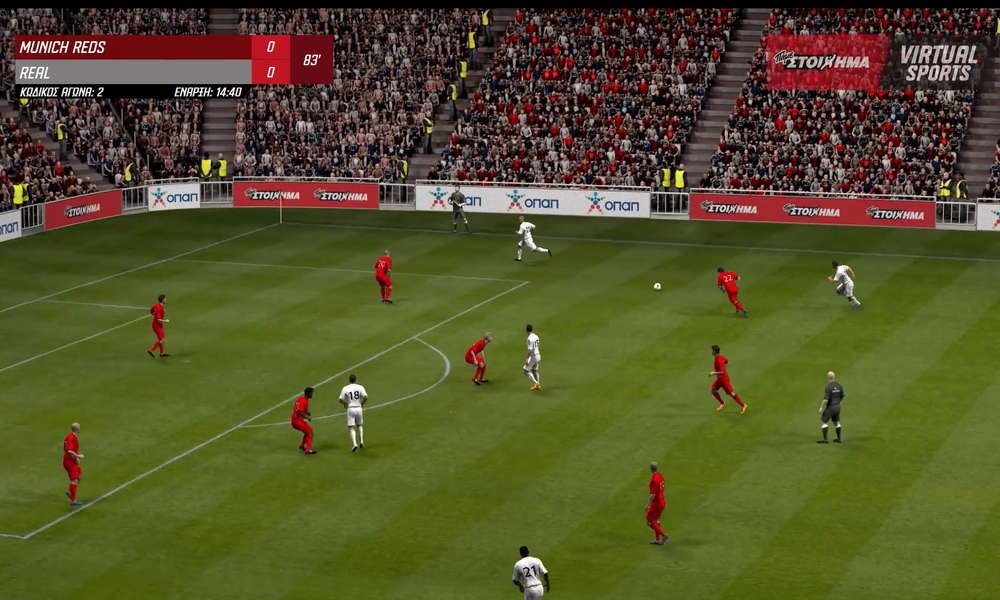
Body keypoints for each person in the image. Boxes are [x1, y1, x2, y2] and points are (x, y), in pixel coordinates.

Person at [710, 345, 746, 413]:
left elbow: (722, 371)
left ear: (714, 351)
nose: (711, 351)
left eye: (712, 350)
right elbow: (726, 361)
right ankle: (722, 403)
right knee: (713, 390)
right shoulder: (720, 357)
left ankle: (743, 405)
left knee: (731, 394)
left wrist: (713, 373)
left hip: (723, 380)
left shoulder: (718, 360)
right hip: (719, 379)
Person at [339, 374, 368, 452]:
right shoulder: (360, 387)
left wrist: (345, 404)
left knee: (351, 427)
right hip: (358, 408)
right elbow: (366, 397)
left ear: (349, 380)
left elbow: (340, 399)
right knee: (359, 425)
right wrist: (362, 403)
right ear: (355, 380)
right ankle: (361, 441)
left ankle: (354, 444)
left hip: (351, 408)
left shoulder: (345, 388)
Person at [818, 371, 844, 444]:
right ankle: (839, 438)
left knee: (823, 421)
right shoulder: (839, 386)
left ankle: (825, 439)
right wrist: (838, 402)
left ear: (828, 377)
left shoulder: (828, 387)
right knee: (836, 422)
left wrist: (821, 407)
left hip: (831, 407)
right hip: (837, 406)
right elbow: (843, 397)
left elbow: (826, 399)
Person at [645, 462, 667, 545]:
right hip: (662, 501)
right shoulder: (660, 476)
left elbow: (653, 494)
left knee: (649, 522)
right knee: (656, 520)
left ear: (650, 469)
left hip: (656, 503)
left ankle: (664, 535)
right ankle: (657, 540)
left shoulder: (654, 480)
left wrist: (648, 504)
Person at [291, 387, 317, 454]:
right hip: (297, 421)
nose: (312, 395)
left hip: (294, 420)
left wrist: (306, 412)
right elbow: (299, 411)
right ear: (309, 394)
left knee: (307, 431)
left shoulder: (300, 398)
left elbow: (297, 409)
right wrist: (307, 417)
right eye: (311, 393)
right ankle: (308, 450)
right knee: (310, 433)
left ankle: (301, 446)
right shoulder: (304, 401)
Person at [63, 423, 84, 505]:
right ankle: (73, 500)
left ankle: (69, 491)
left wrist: (76, 458)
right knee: (74, 480)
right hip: (69, 462)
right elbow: (69, 451)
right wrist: (78, 456)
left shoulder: (68, 436)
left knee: (79, 472)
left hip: (69, 460)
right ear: (77, 429)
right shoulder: (72, 438)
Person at [524, 324, 541, 390]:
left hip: (533, 357)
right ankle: (538, 386)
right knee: (534, 370)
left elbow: (530, 350)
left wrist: (526, 358)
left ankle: (536, 383)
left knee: (526, 371)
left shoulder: (530, 338)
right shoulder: (536, 336)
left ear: (526, 330)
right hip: (538, 355)